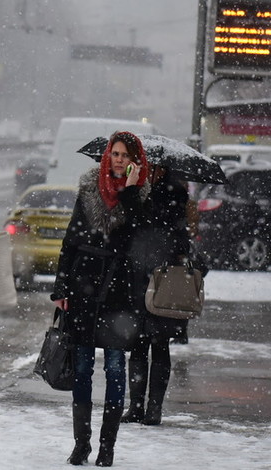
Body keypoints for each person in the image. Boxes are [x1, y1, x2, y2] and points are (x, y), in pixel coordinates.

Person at [51, 131, 151, 467]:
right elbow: (71, 239)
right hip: (83, 286)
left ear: (135, 160)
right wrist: (61, 287)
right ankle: (82, 443)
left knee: (113, 367)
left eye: (125, 155)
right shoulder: (90, 189)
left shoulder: (142, 194)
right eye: (115, 154)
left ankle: (107, 445)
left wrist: (133, 190)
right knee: (81, 367)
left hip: (118, 291)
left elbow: (138, 234)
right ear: (107, 155)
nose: (119, 160)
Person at [120, 165, 198, 426]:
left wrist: (134, 196)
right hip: (137, 275)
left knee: (160, 343)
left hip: (162, 277)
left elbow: (172, 235)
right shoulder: (139, 191)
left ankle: (154, 409)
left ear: (162, 168)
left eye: (152, 165)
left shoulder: (173, 193)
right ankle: (136, 407)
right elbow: (129, 226)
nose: (148, 169)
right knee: (138, 344)